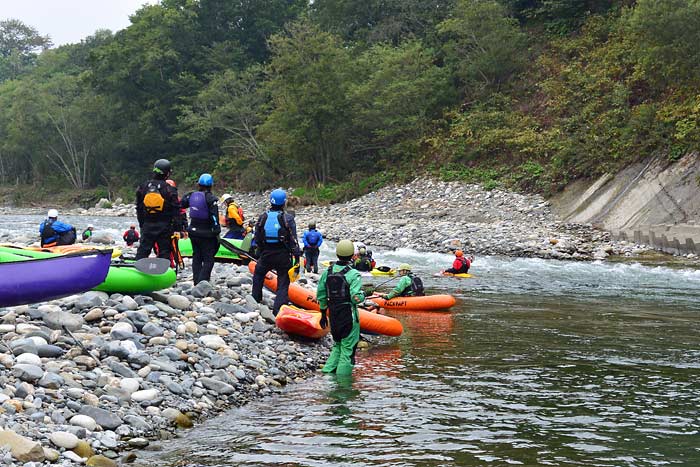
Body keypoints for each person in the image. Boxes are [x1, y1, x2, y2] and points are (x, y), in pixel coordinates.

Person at [317, 239, 365, 376]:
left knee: (337, 345)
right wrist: (364, 294)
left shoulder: (327, 272)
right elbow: (355, 298)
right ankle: (342, 387)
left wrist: (322, 314)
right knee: (348, 350)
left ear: (337, 254)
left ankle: (327, 376)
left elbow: (320, 294)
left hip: (333, 315)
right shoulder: (353, 274)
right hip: (348, 316)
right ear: (352, 255)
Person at [252, 188, 301, 315]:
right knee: (283, 282)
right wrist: (297, 258)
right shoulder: (288, 218)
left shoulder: (263, 217)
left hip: (266, 254)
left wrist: (259, 252)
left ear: (271, 202)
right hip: (283, 256)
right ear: (284, 203)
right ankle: (278, 309)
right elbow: (293, 240)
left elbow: (257, 237)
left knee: (258, 274)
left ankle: (255, 301)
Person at [135, 159, 180, 261]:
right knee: (164, 252)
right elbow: (176, 209)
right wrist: (177, 227)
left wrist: (142, 224)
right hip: (164, 227)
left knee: (143, 250)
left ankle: (137, 271)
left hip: (147, 225)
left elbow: (139, 207)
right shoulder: (170, 189)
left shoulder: (143, 187)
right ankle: (165, 273)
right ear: (167, 173)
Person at [180, 173, 221, 284]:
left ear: (199, 184)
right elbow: (214, 217)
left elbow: (181, 204)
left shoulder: (191, 196)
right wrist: (217, 231)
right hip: (207, 233)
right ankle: (203, 281)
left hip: (193, 231)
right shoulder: (211, 199)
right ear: (211, 185)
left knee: (196, 256)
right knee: (208, 258)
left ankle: (196, 281)